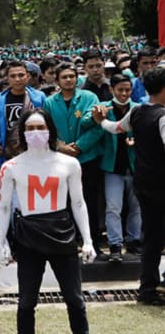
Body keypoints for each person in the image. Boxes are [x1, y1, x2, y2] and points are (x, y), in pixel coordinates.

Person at [0, 109, 96, 334]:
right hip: (28, 234)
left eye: (40, 127)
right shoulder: (11, 167)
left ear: (50, 130)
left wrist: (88, 240)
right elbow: (3, 207)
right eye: (30, 128)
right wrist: (0, 240)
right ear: (22, 133)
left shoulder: (69, 164)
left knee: (75, 299)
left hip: (62, 230)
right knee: (26, 302)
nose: (36, 132)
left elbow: (79, 204)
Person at [93, 67, 165, 305]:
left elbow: (115, 128)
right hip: (160, 186)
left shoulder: (137, 112)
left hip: (143, 183)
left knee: (152, 238)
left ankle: (148, 288)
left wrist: (101, 120)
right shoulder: (163, 117)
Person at [43, 62, 105, 259]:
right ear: (57, 80)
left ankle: (93, 241)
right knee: (65, 201)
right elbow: (46, 129)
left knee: (89, 200)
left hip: (87, 157)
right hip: (60, 159)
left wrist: (79, 146)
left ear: (77, 78)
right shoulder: (50, 102)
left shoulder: (89, 97)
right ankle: (70, 243)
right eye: (64, 77)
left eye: (72, 76)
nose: (68, 80)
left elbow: (98, 126)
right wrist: (60, 146)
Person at [83, 74, 141, 262]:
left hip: (134, 166)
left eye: (127, 90)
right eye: (120, 90)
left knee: (136, 206)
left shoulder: (138, 109)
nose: (124, 94)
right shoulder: (103, 108)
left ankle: (134, 240)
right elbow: (84, 123)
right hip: (111, 167)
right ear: (112, 90)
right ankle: (115, 244)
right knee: (113, 206)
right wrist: (96, 117)